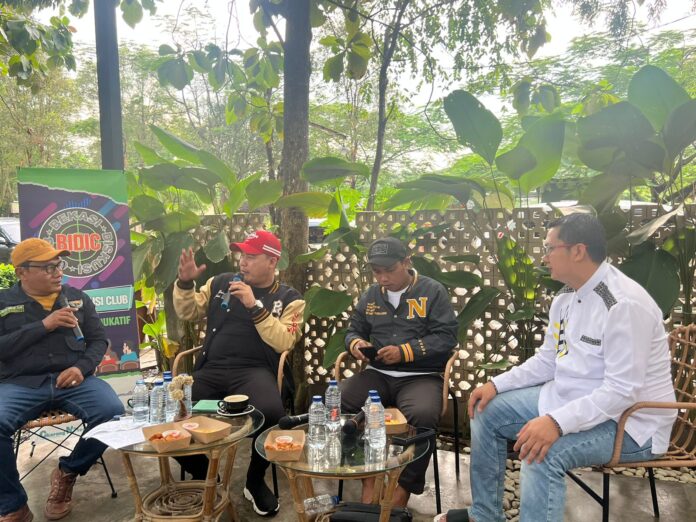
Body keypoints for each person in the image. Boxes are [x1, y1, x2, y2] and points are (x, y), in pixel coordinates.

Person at [435, 213, 677, 522]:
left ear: (578, 251)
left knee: (542, 452)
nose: (544, 256)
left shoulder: (623, 304)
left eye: (550, 248)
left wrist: (556, 422)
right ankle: (484, 514)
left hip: (631, 423)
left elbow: (621, 392)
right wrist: (496, 385)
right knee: (486, 409)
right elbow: (548, 360)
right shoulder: (565, 297)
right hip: (572, 398)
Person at [173, 230, 304, 517]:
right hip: (212, 368)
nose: (243, 262)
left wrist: (254, 306)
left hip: (254, 371)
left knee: (272, 414)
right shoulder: (220, 283)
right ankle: (206, 474)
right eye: (242, 255)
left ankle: (254, 481)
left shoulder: (289, 298)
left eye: (252, 256)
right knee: (172, 412)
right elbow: (188, 312)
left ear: (272, 261)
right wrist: (185, 283)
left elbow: (284, 341)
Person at [0, 238, 124, 522]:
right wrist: (44, 325)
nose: (58, 273)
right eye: (48, 268)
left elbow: (98, 341)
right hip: (20, 383)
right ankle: (13, 504)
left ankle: (68, 472)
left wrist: (81, 368)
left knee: (113, 413)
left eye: (59, 265)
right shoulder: (3, 302)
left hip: (73, 381)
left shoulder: (77, 298)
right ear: (22, 272)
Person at [340, 237, 458, 507]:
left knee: (424, 414)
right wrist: (356, 344)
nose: (383, 278)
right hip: (377, 374)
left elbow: (447, 337)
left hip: (421, 376)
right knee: (341, 402)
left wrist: (405, 351)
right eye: (376, 272)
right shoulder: (371, 295)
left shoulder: (432, 291)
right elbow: (353, 329)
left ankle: (403, 488)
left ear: (406, 262)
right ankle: (368, 478)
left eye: (389, 270)